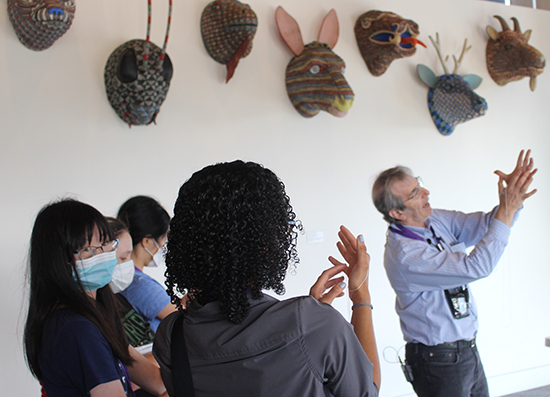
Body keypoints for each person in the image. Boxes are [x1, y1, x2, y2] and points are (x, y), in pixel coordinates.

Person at [153, 160, 380, 396]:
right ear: (264, 241)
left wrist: (312, 318)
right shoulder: (315, 325)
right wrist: (360, 295)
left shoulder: (171, 336)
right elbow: (367, 391)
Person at [371, 150, 537, 397]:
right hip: (437, 359)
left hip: (466, 349)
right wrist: (507, 207)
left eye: (420, 184)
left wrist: (512, 200)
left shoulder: (433, 219)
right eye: (416, 193)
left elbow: (487, 226)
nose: (426, 193)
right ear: (397, 213)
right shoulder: (405, 255)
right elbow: (477, 267)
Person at [24, 199, 167, 396]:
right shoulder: (77, 329)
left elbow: (157, 382)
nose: (104, 255)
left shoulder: (98, 315)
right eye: (89, 251)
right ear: (59, 261)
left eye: (106, 244)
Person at [117, 196, 178, 333]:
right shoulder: (139, 285)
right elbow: (185, 317)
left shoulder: (123, 279)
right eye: (163, 239)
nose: (163, 246)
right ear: (147, 241)